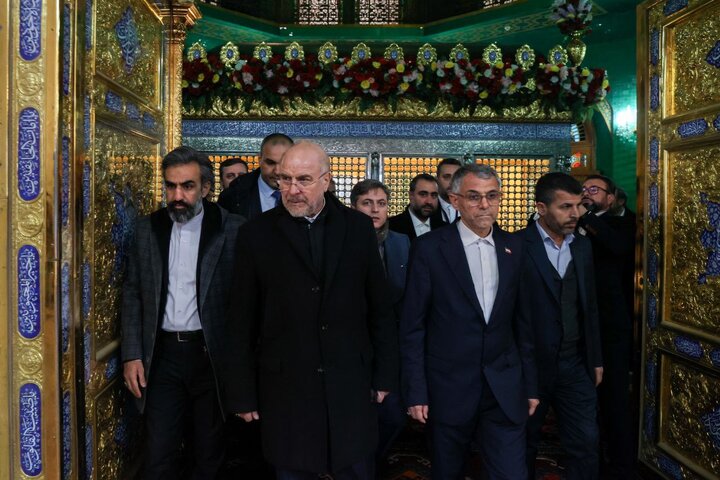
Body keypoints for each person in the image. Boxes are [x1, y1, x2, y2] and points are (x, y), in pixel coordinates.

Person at [226, 141, 399, 480]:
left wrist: (385, 375)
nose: (292, 190)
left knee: (355, 467)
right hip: (285, 387)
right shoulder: (255, 234)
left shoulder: (358, 228)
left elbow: (380, 307)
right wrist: (242, 393)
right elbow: (240, 319)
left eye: (303, 180)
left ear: (326, 180)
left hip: (350, 382)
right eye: (285, 179)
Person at [401, 164, 538, 479]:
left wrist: (531, 385)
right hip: (448, 387)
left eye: (492, 196)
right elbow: (413, 326)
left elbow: (524, 325)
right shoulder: (430, 248)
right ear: (455, 200)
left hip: (504, 387)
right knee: (448, 471)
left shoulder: (515, 248)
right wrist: (416, 391)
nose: (484, 205)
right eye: (474, 197)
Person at [121, 146, 244, 478]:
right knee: (159, 451)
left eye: (187, 186)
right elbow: (133, 291)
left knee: (209, 451)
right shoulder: (148, 229)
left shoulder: (232, 228)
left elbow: (245, 300)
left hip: (211, 357)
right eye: (171, 186)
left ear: (205, 187)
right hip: (162, 358)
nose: (177, 195)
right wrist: (132, 354)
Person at [516, 172, 603, 480]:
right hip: (529, 366)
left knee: (585, 441)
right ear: (541, 208)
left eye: (578, 206)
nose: (575, 214)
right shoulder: (515, 246)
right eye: (565, 207)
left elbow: (588, 305)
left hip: (574, 362)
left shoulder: (582, 246)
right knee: (523, 442)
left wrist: (595, 359)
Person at [579, 174, 636, 479]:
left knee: (614, 399)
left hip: (612, 326)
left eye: (594, 189)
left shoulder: (624, 224)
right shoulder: (578, 224)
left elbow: (616, 247)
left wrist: (586, 216)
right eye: (583, 189)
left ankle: (622, 466)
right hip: (583, 326)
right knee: (587, 399)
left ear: (611, 198)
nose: (586, 193)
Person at [350, 179, 411, 461]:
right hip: (352, 344)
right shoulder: (342, 242)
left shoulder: (402, 243)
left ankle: (372, 462)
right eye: (367, 203)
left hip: (391, 343)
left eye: (381, 203)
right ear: (353, 207)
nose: (375, 210)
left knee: (393, 416)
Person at [218, 133, 293, 219]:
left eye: (284, 163)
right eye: (270, 163)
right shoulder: (233, 194)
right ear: (260, 160)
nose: (277, 171)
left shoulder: (308, 191)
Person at [389, 173, 447, 241]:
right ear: (411, 195)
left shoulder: (445, 229)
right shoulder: (391, 227)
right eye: (423, 194)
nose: (429, 201)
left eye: (434, 195)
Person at [436, 158, 462, 223]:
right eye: (447, 177)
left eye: (456, 177)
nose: (452, 182)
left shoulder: (469, 207)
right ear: (437, 180)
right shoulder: (428, 206)